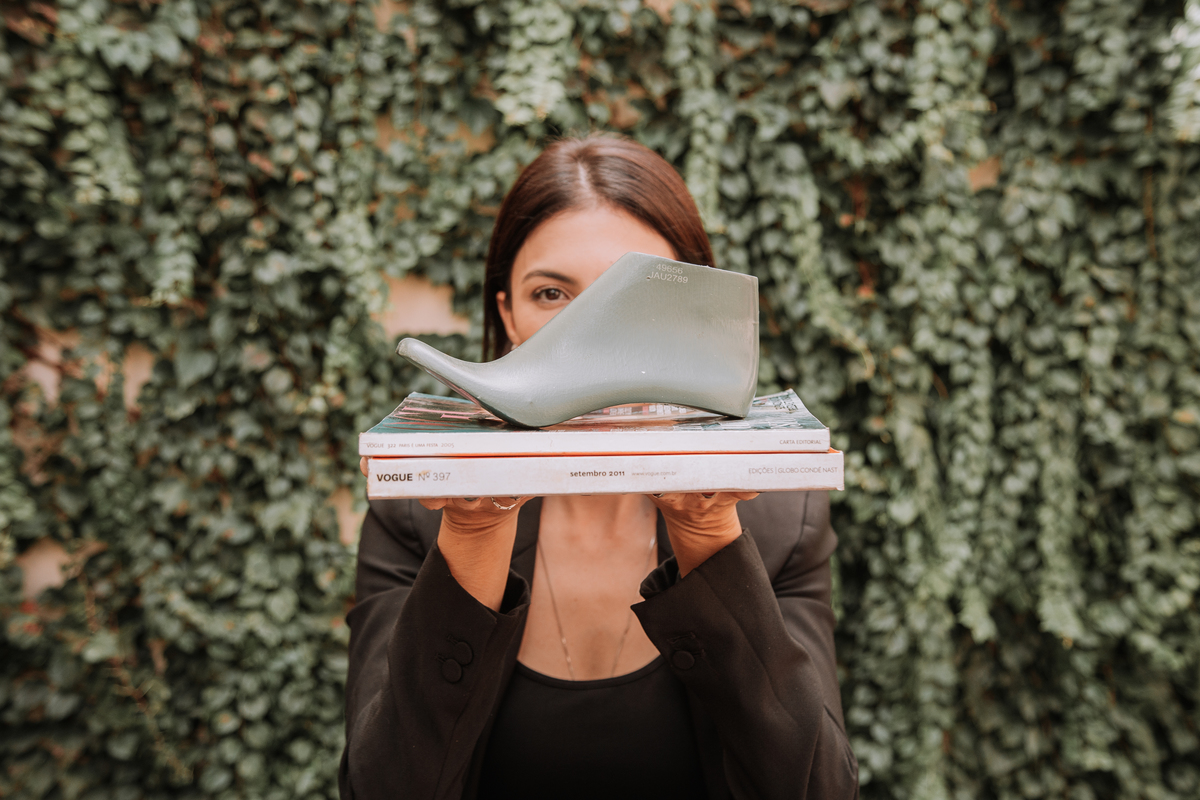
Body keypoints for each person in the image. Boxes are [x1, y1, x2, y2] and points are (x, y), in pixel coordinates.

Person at [340, 135, 859, 799]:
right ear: (508, 319)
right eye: (553, 293)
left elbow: (819, 792)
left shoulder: (781, 517)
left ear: (694, 316)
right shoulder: (421, 512)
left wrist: (707, 539)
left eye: (631, 297)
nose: (590, 337)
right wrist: (472, 541)